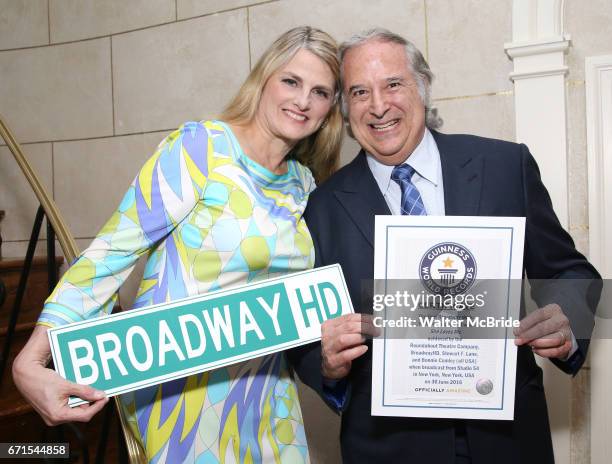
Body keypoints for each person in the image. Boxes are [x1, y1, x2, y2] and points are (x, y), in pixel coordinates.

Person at [12, 26, 343, 464]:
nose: (303, 101)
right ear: (264, 79)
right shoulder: (200, 148)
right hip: (185, 394)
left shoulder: (303, 183)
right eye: (291, 81)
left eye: (320, 92)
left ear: (329, 109)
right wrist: (30, 361)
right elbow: (113, 251)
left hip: (267, 394)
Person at [288, 28, 600, 464]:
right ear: (345, 108)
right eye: (359, 92)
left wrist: (566, 323)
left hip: (509, 438)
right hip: (387, 447)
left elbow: (571, 273)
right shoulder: (321, 207)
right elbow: (303, 336)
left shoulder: (504, 166)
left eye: (393, 84)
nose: (378, 106)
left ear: (422, 86)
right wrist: (326, 362)